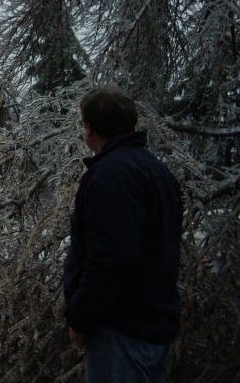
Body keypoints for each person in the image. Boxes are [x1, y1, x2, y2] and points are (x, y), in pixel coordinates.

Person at [63, 86, 183, 383]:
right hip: (153, 322)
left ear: (90, 129)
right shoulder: (157, 172)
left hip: (121, 329)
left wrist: (80, 319)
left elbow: (110, 259)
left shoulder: (111, 176)